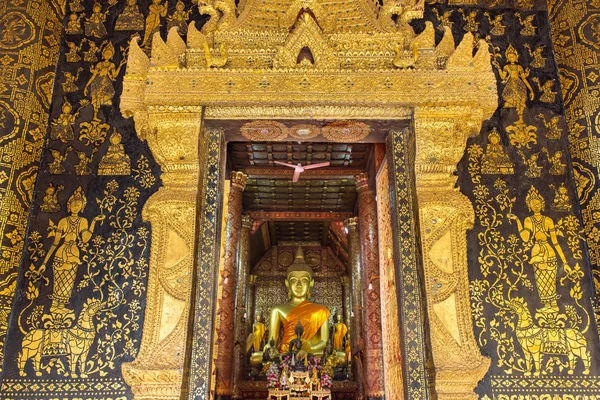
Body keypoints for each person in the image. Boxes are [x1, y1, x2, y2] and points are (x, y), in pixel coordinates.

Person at [41, 187, 105, 315]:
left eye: (79, 204)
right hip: (61, 251)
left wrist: (93, 221)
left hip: (74, 253)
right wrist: (43, 263)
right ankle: (55, 306)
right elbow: (55, 243)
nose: (76, 206)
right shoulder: (63, 221)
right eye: (73, 204)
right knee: (59, 279)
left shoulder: (83, 221)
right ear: (69, 206)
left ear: (82, 207)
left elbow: (85, 239)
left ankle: (62, 305)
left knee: (68, 281)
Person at [508, 186, 567, 310]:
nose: (536, 205)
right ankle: (546, 305)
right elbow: (525, 238)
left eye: (538, 203)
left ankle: (554, 305)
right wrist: (518, 220)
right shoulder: (528, 220)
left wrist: (565, 261)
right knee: (541, 279)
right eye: (533, 204)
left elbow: (555, 242)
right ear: (529, 205)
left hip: (548, 250)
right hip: (536, 252)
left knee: (551, 278)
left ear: (542, 204)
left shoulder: (548, 220)